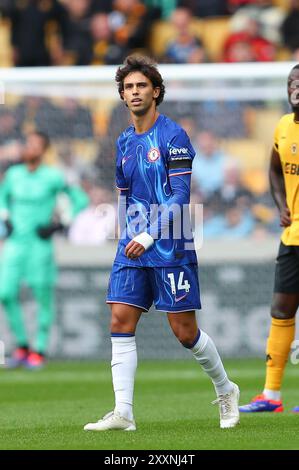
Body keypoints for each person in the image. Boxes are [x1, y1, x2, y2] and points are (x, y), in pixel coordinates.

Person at [84, 55, 240, 432]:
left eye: (141, 86)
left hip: (169, 242)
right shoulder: (123, 141)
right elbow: (124, 193)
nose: (134, 92)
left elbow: (181, 196)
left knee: (185, 332)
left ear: (156, 91)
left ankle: (226, 388)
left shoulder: (174, 136)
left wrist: (148, 233)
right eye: (128, 87)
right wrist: (124, 234)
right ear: (122, 95)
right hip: (132, 245)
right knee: (120, 319)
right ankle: (124, 412)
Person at [0, 131, 88, 369]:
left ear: (43, 150)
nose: (29, 148)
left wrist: (60, 223)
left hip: (40, 245)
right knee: (5, 293)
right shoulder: (14, 174)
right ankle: (21, 346)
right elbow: (2, 197)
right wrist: (5, 216)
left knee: (42, 297)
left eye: (35, 145)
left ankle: (38, 349)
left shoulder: (53, 176)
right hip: (16, 243)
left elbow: (80, 199)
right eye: (27, 143)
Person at [239, 64, 299, 413]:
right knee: (280, 309)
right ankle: (271, 395)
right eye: (292, 82)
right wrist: (281, 205)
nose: (296, 86)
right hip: (292, 236)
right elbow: (274, 170)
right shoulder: (282, 126)